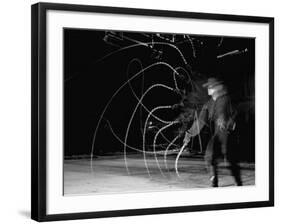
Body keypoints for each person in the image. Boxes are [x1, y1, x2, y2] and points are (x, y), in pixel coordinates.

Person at [184, 77, 242, 187]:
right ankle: (214, 181)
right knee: (209, 156)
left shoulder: (226, 99)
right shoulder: (208, 104)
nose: (208, 89)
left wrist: (230, 122)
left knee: (230, 158)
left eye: (211, 86)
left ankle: (238, 183)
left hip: (228, 134)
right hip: (218, 134)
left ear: (217, 87)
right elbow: (200, 121)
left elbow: (235, 112)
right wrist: (189, 134)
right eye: (208, 86)